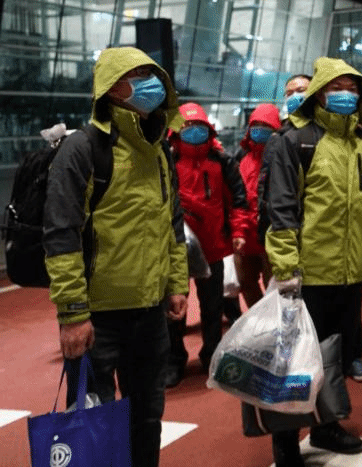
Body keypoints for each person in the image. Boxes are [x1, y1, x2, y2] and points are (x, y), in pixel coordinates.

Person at [42, 46, 188, 467]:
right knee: (95, 423)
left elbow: (171, 222)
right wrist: (72, 313)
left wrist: (177, 284)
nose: (150, 84)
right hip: (97, 317)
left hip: (150, 312)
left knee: (147, 418)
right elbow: (61, 234)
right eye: (137, 76)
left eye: (152, 75)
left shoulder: (159, 150)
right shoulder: (83, 149)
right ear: (111, 88)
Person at [262, 57, 362, 465]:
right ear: (319, 92)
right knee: (295, 359)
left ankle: (326, 425)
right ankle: (286, 439)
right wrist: (285, 267)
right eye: (337, 87)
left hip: (349, 270)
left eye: (353, 88)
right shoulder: (295, 141)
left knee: (333, 356)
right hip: (309, 272)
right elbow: (281, 209)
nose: (346, 95)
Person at [164, 102, 250, 388]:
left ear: (208, 129)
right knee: (174, 308)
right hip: (175, 248)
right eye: (187, 127)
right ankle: (174, 360)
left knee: (213, 308)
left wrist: (238, 231)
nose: (193, 131)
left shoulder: (223, 162)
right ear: (176, 131)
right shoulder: (166, 162)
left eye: (198, 126)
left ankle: (212, 355)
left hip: (213, 246)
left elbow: (239, 199)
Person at [232, 103, 280, 311]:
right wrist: (238, 230)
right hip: (246, 236)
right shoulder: (241, 159)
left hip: (272, 237)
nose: (260, 130)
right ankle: (258, 317)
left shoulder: (282, 159)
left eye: (266, 126)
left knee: (274, 287)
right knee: (246, 283)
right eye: (256, 125)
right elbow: (237, 198)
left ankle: (271, 320)